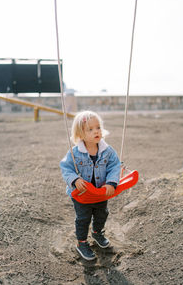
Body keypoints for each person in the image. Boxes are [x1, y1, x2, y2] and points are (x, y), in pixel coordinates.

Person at [60, 110, 120, 260]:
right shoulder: (75, 153)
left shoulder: (108, 151)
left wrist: (111, 182)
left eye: (98, 127)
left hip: (101, 191)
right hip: (82, 194)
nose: (96, 131)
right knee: (83, 218)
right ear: (80, 134)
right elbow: (66, 168)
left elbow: (115, 166)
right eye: (90, 129)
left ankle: (97, 233)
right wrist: (74, 179)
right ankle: (82, 242)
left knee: (102, 214)